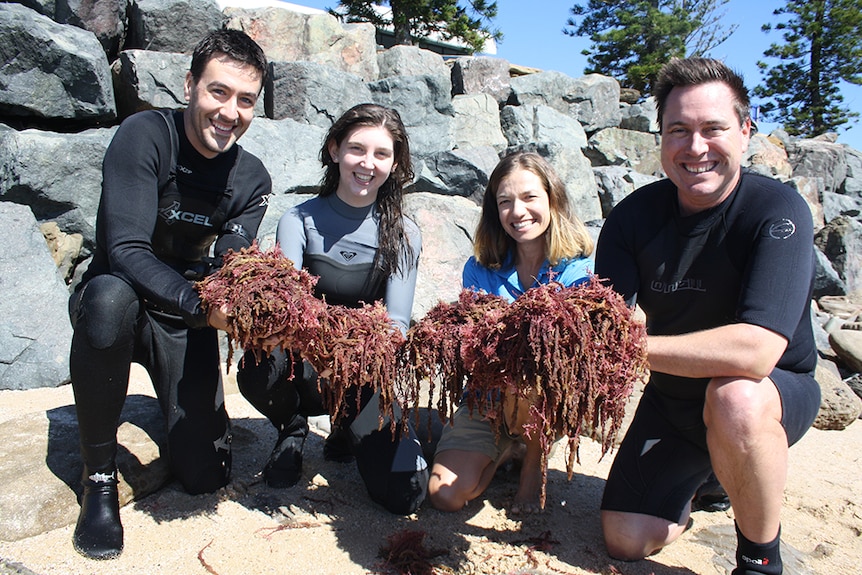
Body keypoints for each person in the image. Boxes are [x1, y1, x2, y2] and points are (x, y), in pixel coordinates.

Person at [595, 57, 820, 575]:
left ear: (745, 131)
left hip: (772, 392)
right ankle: (714, 478)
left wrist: (633, 347)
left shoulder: (776, 210)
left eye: (713, 128)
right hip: (673, 397)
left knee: (734, 396)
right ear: (660, 138)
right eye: (678, 130)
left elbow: (758, 351)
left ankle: (760, 558)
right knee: (625, 539)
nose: (695, 148)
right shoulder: (634, 217)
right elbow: (604, 319)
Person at [68, 30, 271, 560]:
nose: (230, 112)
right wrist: (202, 305)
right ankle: (100, 477)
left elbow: (233, 260)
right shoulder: (144, 135)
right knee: (110, 302)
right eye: (218, 92)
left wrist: (253, 303)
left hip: (183, 317)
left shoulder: (252, 179)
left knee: (204, 476)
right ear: (190, 86)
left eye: (245, 100)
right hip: (121, 295)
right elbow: (127, 248)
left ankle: (175, 408)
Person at [235, 103, 429, 515]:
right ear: (334, 149)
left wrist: (349, 360)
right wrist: (323, 353)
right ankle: (291, 428)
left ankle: (348, 427)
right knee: (257, 366)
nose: (367, 163)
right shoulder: (299, 220)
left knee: (406, 493)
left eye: (382, 154)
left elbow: (395, 323)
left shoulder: (404, 233)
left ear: (395, 165)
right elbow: (283, 310)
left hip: (363, 372)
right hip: (303, 367)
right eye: (357, 149)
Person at [428, 151, 594, 514]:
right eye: (505, 202)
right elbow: (471, 341)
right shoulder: (480, 267)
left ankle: (532, 472)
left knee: (536, 362)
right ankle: (505, 449)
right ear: (495, 210)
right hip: (487, 397)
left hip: (544, 399)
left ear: (553, 200)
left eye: (530, 198)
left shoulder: (579, 270)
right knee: (445, 495)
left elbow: (569, 359)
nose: (518, 212)